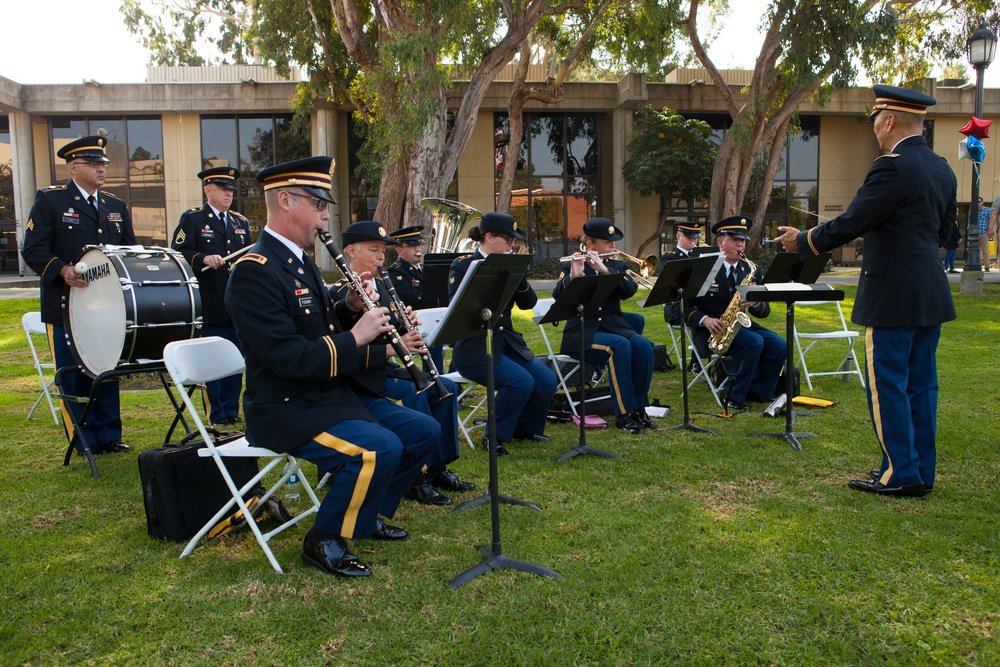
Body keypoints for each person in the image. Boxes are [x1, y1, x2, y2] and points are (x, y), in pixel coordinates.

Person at [225, 157, 438, 578]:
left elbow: (317, 328)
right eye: (319, 204)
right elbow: (290, 357)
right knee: (378, 448)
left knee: (422, 432)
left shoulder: (299, 261)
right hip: (287, 406)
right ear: (285, 200)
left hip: (327, 394)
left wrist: (347, 308)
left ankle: (366, 512)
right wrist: (358, 336)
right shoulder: (254, 272)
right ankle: (323, 538)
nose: (326, 215)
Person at [775, 85, 957, 499]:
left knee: (888, 383)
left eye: (875, 118)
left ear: (889, 119)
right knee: (922, 385)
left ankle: (898, 473)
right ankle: (919, 471)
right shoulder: (942, 168)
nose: (874, 126)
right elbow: (948, 234)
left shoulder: (890, 167)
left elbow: (853, 221)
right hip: (930, 293)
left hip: (892, 295)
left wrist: (804, 240)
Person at [333, 221, 474, 506]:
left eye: (383, 252)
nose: (380, 258)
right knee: (414, 392)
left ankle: (438, 466)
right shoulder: (340, 294)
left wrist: (405, 324)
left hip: (385, 371)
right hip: (360, 379)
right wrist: (395, 347)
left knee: (443, 387)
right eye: (373, 251)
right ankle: (414, 478)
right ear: (350, 251)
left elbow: (390, 328)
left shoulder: (382, 286)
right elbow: (346, 348)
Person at [20, 135, 136, 455]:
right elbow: (33, 250)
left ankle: (109, 434)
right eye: (94, 164)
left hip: (106, 307)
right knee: (73, 373)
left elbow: (127, 251)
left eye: (103, 164)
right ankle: (82, 438)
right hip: (65, 306)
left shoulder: (115, 205)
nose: (101, 169)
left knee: (105, 369)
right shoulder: (50, 200)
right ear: (73, 167)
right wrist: (61, 269)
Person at [448, 212, 557, 454]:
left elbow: (528, 304)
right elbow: (460, 310)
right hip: (475, 348)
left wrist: (519, 276)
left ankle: (524, 429)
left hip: (506, 343)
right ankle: (494, 437)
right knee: (520, 382)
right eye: (508, 239)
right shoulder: (464, 265)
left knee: (547, 380)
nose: (512, 245)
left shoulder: (511, 264)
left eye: (513, 240)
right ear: (488, 236)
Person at [552, 218, 655, 434]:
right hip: (581, 333)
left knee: (644, 346)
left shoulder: (617, 265)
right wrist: (574, 277)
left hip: (612, 327)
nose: (613, 247)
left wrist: (606, 271)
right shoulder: (571, 264)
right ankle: (623, 414)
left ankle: (639, 408)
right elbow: (558, 298)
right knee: (620, 346)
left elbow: (628, 290)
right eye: (608, 243)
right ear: (591, 244)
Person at [171, 167, 253, 425]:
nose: (229, 194)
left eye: (231, 189)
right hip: (210, 302)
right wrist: (202, 258)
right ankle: (217, 412)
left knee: (234, 359)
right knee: (214, 360)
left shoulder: (241, 222)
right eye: (223, 189)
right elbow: (178, 253)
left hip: (236, 303)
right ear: (208, 190)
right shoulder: (193, 219)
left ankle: (231, 410)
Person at [685, 215, 785, 413]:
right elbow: (682, 307)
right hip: (711, 329)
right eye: (735, 240)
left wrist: (755, 303)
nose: (741, 245)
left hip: (738, 324)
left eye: (743, 241)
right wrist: (705, 320)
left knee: (779, 345)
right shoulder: (703, 267)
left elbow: (764, 311)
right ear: (720, 241)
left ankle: (757, 391)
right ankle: (733, 396)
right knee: (753, 342)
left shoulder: (751, 269)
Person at [386, 225, 444, 372]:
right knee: (434, 338)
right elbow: (414, 301)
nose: (418, 249)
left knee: (463, 334)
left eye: (419, 244)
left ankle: (453, 379)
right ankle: (435, 381)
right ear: (399, 250)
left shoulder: (423, 269)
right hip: (411, 323)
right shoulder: (396, 272)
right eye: (412, 246)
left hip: (432, 319)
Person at [657, 221, 705, 326]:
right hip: (678, 306)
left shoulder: (700, 256)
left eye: (695, 237)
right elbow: (668, 283)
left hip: (700, 303)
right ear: (678, 236)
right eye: (689, 237)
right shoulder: (670, 257)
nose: (693, 240)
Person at [974, 196, 992, 272]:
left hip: (984, 233)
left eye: (979, 202)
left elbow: (991, 220)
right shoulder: (972, 211)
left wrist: (989, 230)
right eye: (976, 202)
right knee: (976, 250)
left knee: (984, 250)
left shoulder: (987, 210)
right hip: (974, 234)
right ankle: (978, 265)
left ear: (982, 202)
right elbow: (969, 221)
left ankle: (987, 266)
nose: (977, 203)